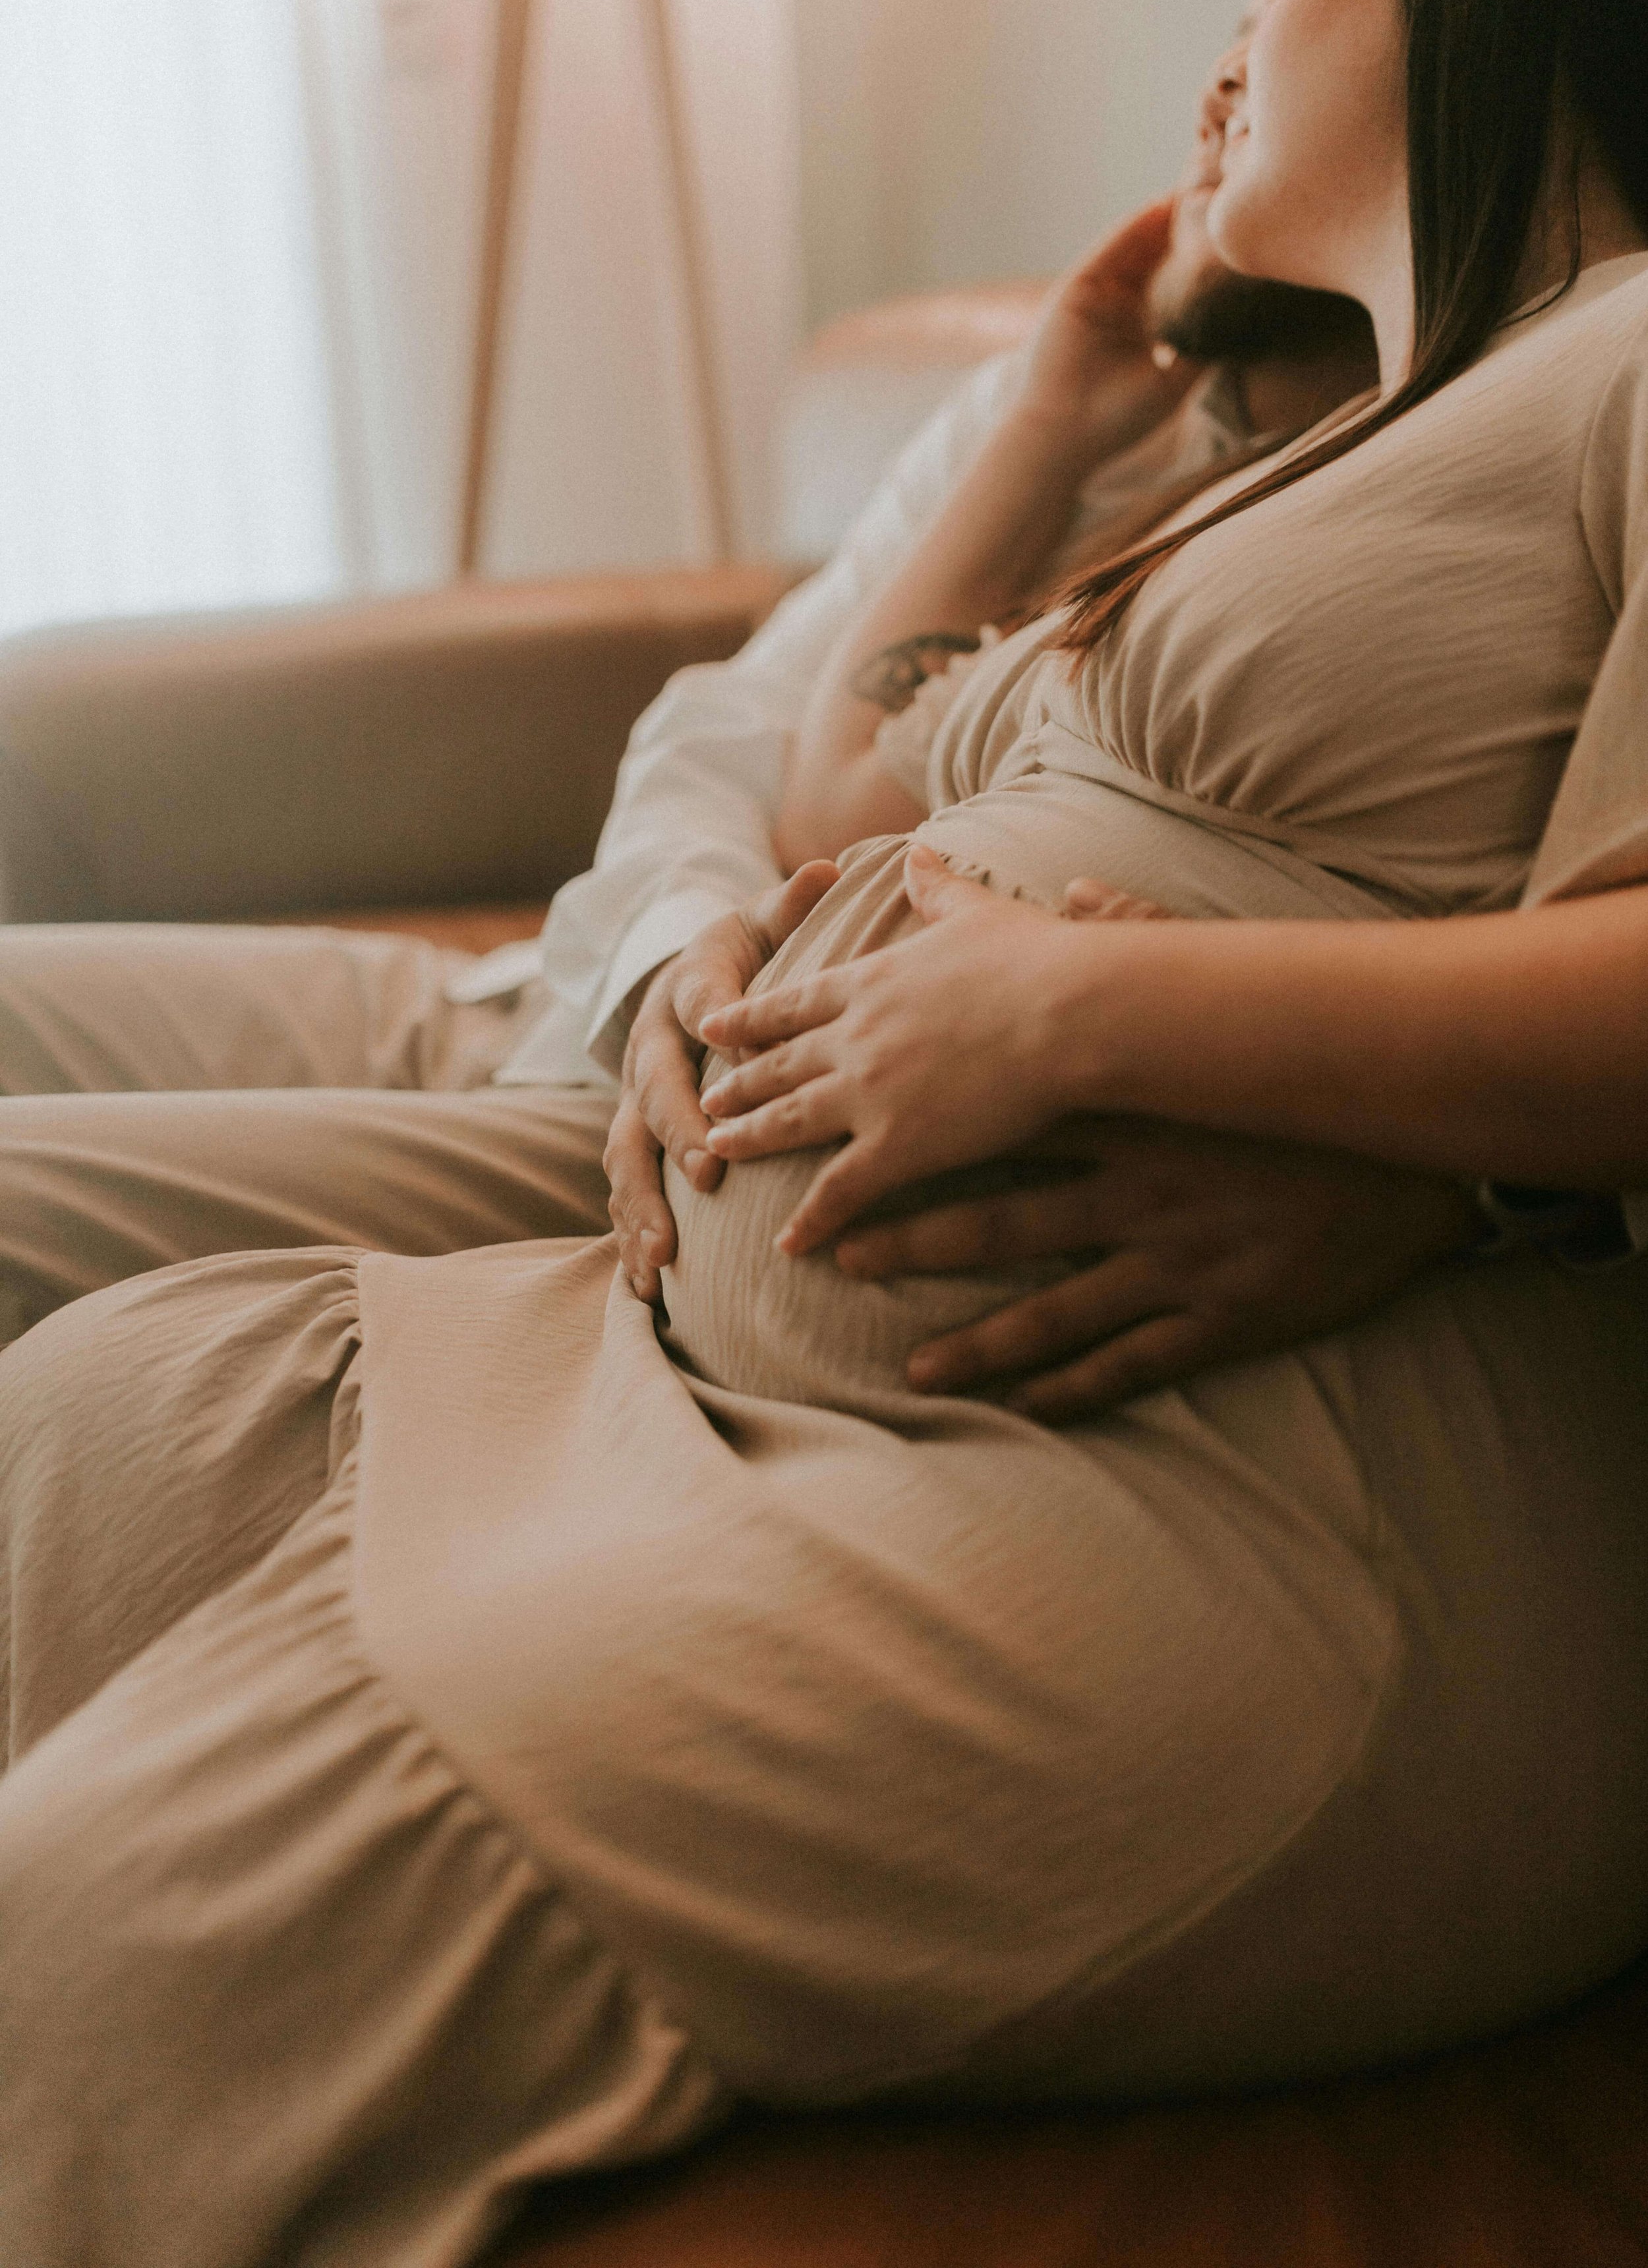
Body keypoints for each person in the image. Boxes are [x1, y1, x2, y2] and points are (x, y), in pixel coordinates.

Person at [7, 0, 1648, 2267]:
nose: (1221, 46)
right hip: (775, 1332)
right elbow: (851, 773)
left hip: (1274, 1514)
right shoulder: (1310, 456)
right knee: (89, 1432)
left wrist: (1101, 1001)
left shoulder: (1630, 374)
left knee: (113, 1917)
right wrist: (1058, 430)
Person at [0, 72, 1397, 1422]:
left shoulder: (1379, 537)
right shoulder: (1075, 397)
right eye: (1236, 4)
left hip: (678, 1140)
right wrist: (669, 955)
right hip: (548, 993)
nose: (1221, 75)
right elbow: (723, 721)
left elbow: (833, 811)